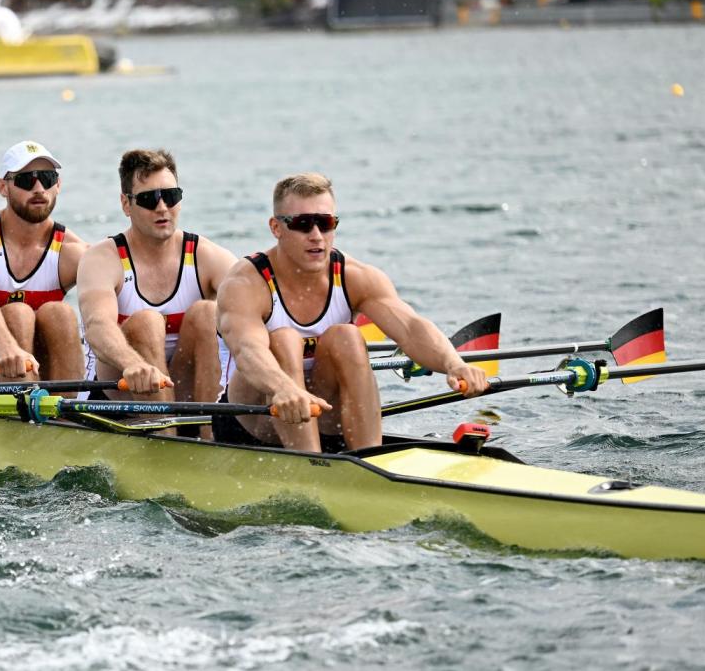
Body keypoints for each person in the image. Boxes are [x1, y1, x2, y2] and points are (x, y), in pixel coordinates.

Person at [214, 172, 489, 452]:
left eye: (325, 223)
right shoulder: (246, 283)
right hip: (255, 421)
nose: (316, 236)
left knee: (346, 336)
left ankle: (369, 455)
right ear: (276, 227)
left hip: (323, 413)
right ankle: (311, 461)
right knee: (284, 339)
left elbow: (410, 329)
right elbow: (248, 351)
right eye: (302, 224)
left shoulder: (356, 277)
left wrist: (454, 363)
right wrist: (282, 387)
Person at [77, 149, 235, 410]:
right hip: (119, 392)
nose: (162, 208)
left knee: (208, 313)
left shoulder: (208, 256)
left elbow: (260, 311)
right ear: (126, 204)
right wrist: (133, 363)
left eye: (170, 197)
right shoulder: (102, 259)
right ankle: (167, 430)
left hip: (184, 389)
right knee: (147, 322)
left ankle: (209, 428)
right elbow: (98, 326)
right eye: (149, 199)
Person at [0, 141, 87, 382]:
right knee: (18, 313)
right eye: (26, 180)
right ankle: (24, 392)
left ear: (58, 185)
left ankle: (67, 402)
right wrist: (7, 346)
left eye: (47, 178)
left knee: (60, 313)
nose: (39, 188)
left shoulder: (73, 251)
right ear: (3, 187)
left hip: (35, 367)